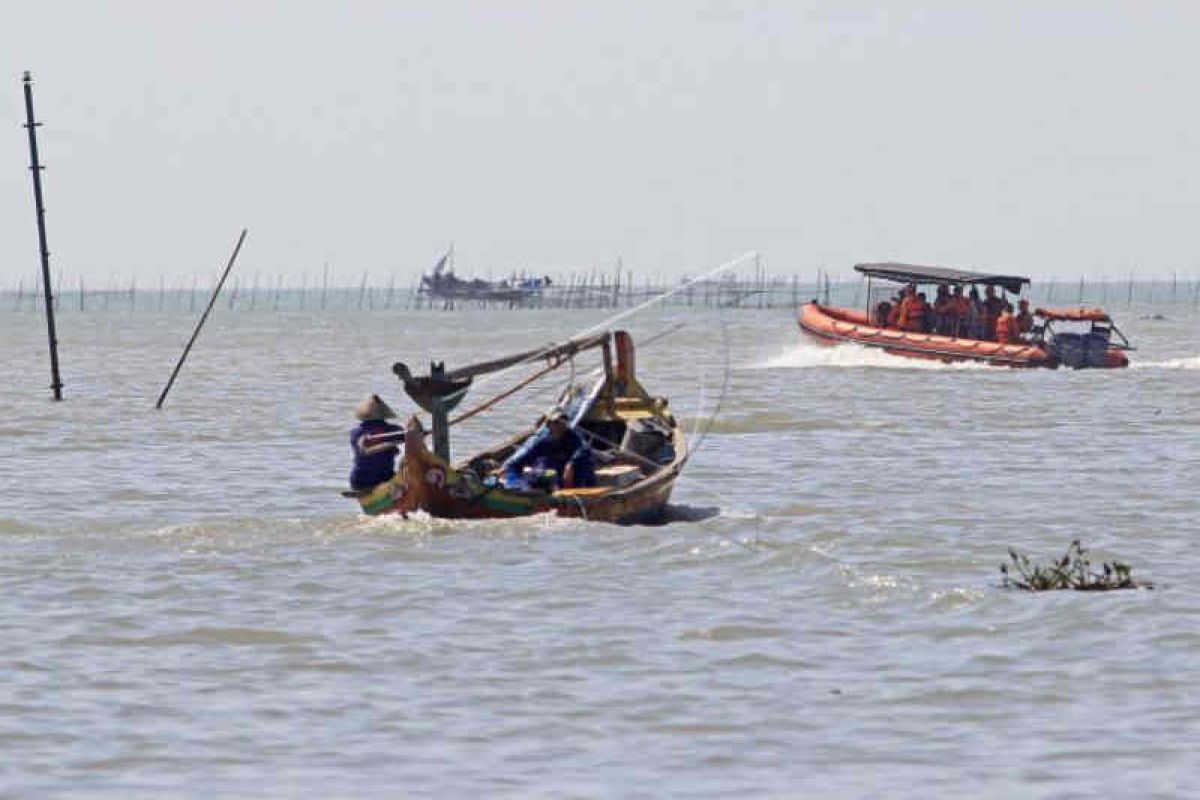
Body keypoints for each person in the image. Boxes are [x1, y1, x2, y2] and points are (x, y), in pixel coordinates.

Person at [501, 409, 596, 490]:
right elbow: (518, 463)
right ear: (548, 425)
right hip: (553, 473)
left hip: (570, 475)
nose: (561, 426)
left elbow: (584, 449)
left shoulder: (573, 438)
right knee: (527, 473)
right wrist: (514, 481)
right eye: (556, 423)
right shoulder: (543, 442)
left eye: (564, 423)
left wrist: (571, 464)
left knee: (584, 463)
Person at [348, 394, 405, 491]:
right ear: (383, 415)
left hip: (359, 481)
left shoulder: (355, 432)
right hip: (384, 479)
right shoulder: (392, 430)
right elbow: (409, 436)